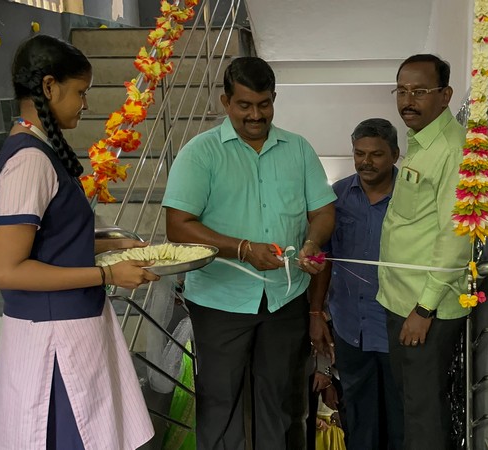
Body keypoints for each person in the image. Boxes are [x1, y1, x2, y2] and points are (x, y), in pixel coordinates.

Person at [0, 35, 159, 450]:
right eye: (81, 92)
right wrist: (107, 275)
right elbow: (7, 270)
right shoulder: (29, 162)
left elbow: (52, 243)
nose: (85, 104)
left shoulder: (41, 151)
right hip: (53, 343)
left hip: (71, 327)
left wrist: (111, 246)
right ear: (49, 87)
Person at [163, 56, 336, 450]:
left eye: (264, 104)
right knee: (220, 402)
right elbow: (178, 225)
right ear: (226, 102)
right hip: (219, 302)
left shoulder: (298, 149)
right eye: (244, 105)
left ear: (274, 99)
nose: (256, 115)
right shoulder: (200, 153)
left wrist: (312, 242)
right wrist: (242, 249)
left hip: (284, 299)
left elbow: (323, 212)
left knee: (279, 401)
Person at [377, 54, 470, 450]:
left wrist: (425, 309)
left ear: (445, 95)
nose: (407, 101)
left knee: (424, 414)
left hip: (423, 309)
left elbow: (457, 236)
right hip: (402, 301)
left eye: (420, 91)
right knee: (414, 407)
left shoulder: (452, 149)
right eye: (401, 91)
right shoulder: (421, 142)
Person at [308, 118, 404, 450]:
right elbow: (324, 259)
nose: (366, 162)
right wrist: (316, 313)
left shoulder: (412, 196)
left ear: (395, 154)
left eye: (376, 154)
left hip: (398, 327)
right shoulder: (336, 196)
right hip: (351, 330)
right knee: (359, 421)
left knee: (401, 422)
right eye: (359, 153)